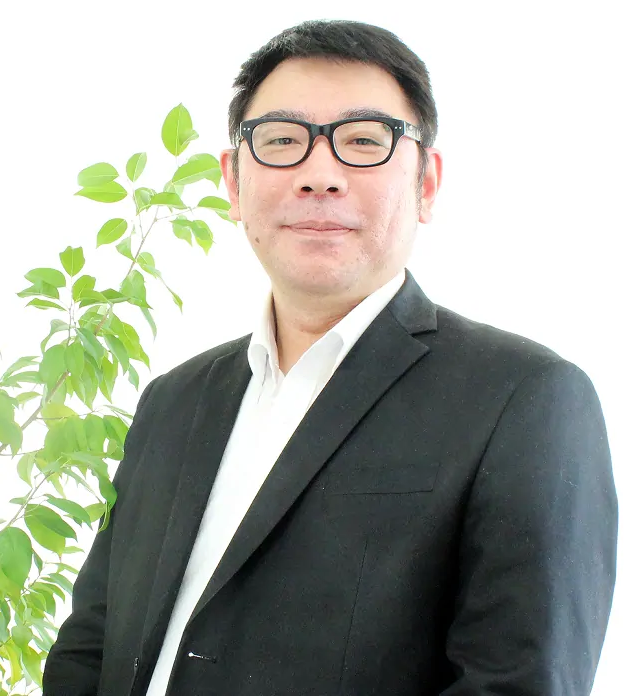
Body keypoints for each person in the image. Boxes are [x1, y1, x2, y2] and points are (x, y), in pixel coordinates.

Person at [43, 19, 618, 696]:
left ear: (427, 184)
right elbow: (90, 645)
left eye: (364, 142)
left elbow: (517, 684)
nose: (320, 175)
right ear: (232, 182)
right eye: (282, 140)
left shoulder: (525, 399)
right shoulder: (173, 400)